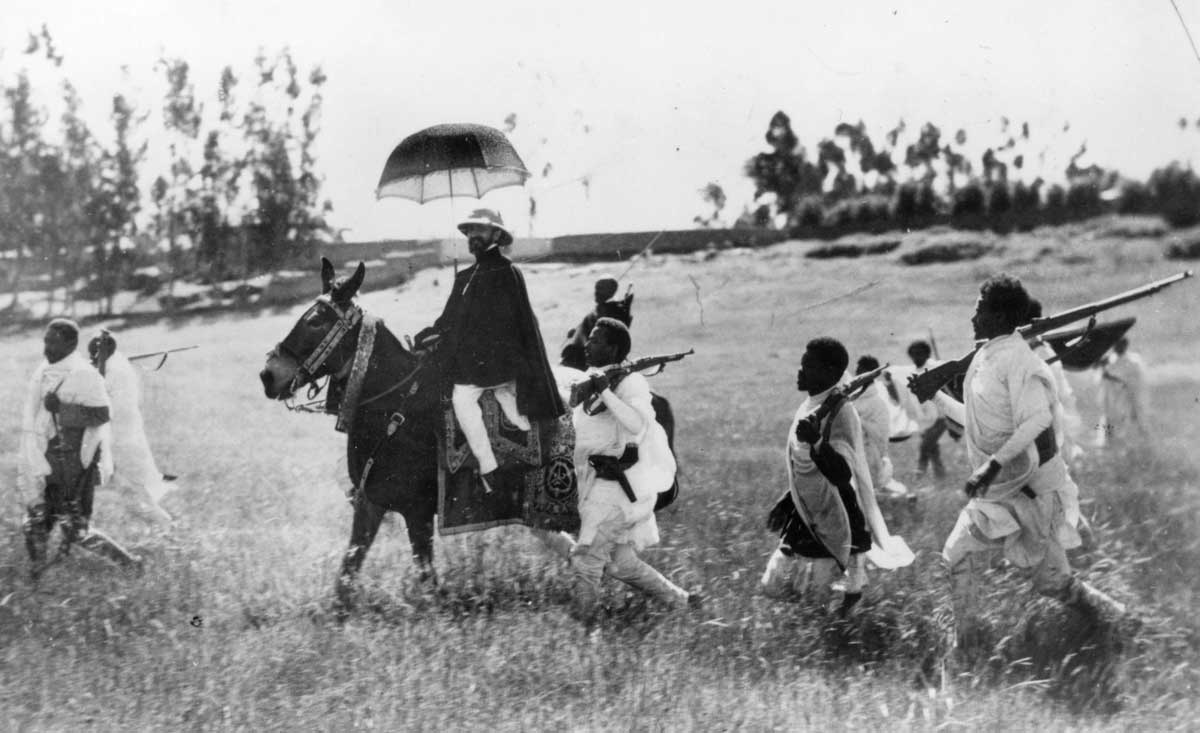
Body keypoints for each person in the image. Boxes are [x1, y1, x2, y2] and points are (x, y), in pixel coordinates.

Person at [922, 275, 1128, 649]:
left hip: (1034, 491)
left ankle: (1120, 621)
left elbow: (1037, 422)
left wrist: (991, 465)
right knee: (957, 552)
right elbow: (977, 421)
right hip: (999, 492)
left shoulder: (1023, 363)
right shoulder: (985, 359)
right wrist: (934, 396)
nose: (972, 318)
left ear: (999, 316)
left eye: (979, 310)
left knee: (1052, 583)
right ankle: (965, 644)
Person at [415, 208, 564, 491]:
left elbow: (506, 324)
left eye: (479, 231)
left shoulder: (507, 272)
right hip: (476, 362)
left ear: (496, 234)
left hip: (499, 361)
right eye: (469, 231)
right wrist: (431, 334)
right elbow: (449, 320)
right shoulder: (466, 276)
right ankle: (506, 400)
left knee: (461, 398)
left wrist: (459, 346)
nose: (473, 236)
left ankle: (488, 465)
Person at [762, 338, 911, 615]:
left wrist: (817, 441)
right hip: (808, 510)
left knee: (821, 602)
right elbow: (803, 463)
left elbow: (841, 473)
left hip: (837, 514)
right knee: (774, 585)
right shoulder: (812, 404)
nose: (799, 371)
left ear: (830, 373)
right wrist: (789, 498)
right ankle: (838, 608)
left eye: (807, 366)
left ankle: (848, 622)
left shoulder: (841, 414)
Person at [568, 317, 697, 618]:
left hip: (615, 486)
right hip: (597, 483)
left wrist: (606, 392)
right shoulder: (595, 377)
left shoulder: (631, 382)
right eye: (589, 339)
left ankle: (583, 628)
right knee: (620, 564)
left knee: (586, 560)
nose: (587, 344)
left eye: (596, 340)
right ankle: (682, 602)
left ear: (613, 349)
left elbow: (636, 424)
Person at [18, 319, 141, 578]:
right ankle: (37, 574)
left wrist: (62, 409)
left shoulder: (85, 374)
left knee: (77, 531)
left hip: (73, 464)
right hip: (46, 460)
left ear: (70, 343)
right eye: (45, 341)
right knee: (35, 524)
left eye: (53, 342)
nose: (46, 347)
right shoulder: (45, 369)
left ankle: (131, 565)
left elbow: (102, 414)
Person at [88, 329, 173, 524]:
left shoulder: (117, 372)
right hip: (117, 438)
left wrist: (94, 370)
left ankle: (164, 524)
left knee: (131, 489)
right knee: (128, 490)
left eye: (95, 352)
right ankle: (162, 524)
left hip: (121, 439)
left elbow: (102, 402)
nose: (92, 357)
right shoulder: (116, 366)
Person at [851, 356, 910, 498]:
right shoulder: (853, 394)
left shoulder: (878, 399)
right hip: (854, 447)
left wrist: (858, 422)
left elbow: (880, 432)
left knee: (870, 486)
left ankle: (900, 498)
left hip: (871, 450)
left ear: (874, 374)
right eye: (858, 371)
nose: (860, 375)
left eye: (864, 372)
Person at [906, 340, 959, 480]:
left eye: (920, 354)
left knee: (925, 447)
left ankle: (918, 478)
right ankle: (941, 477)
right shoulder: (912, 371)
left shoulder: (935, 367)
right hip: (924, 418)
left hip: (941, 416)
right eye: (914, 354)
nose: (917, 357)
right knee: (933, 450)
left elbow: (949, 384)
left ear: (927, 355)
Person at [560, 277, 634, 370]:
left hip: (584, 358)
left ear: (611, 291)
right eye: (596, 289)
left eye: (601, 289)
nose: (596, 292)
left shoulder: (613, 311)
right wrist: (575, 333)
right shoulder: (599, 309)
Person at [1098, 337, 1150, 448]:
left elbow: (1133, 380)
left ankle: (1136, 445)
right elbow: (1102, 379)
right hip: (1112, 397)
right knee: (1110, 421)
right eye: (1115, 345)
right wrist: (1102, 367)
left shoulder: (1133, 361)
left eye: (1119, 345)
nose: (1116, 348)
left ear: (1125, 346)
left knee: (1130, 422)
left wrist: (1111, 377)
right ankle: (1110, 445)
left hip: (1126, 397)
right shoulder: (1110, 360)